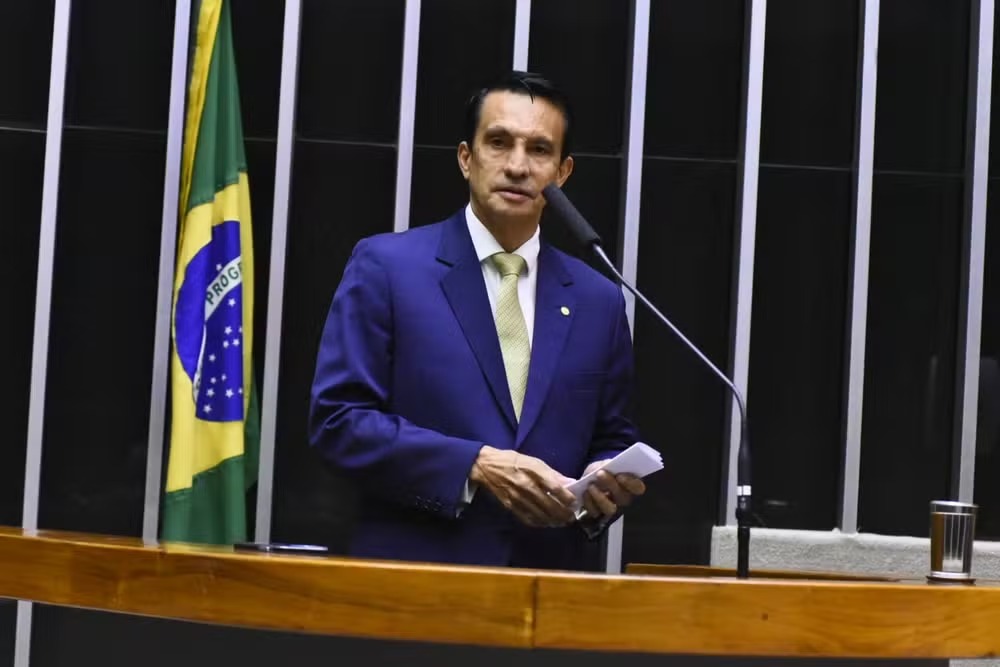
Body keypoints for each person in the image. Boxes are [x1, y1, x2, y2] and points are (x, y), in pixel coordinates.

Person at [308, 71, 645, 570]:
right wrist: (476, 465)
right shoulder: (388, 268)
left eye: (539, 150)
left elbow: (611, 438)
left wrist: (603, 486)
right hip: (415, 580)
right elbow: (339, 422)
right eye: (499, 143)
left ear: (563, 172)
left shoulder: (598, 299)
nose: (517, 166)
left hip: (549, 585)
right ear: (467, 158)